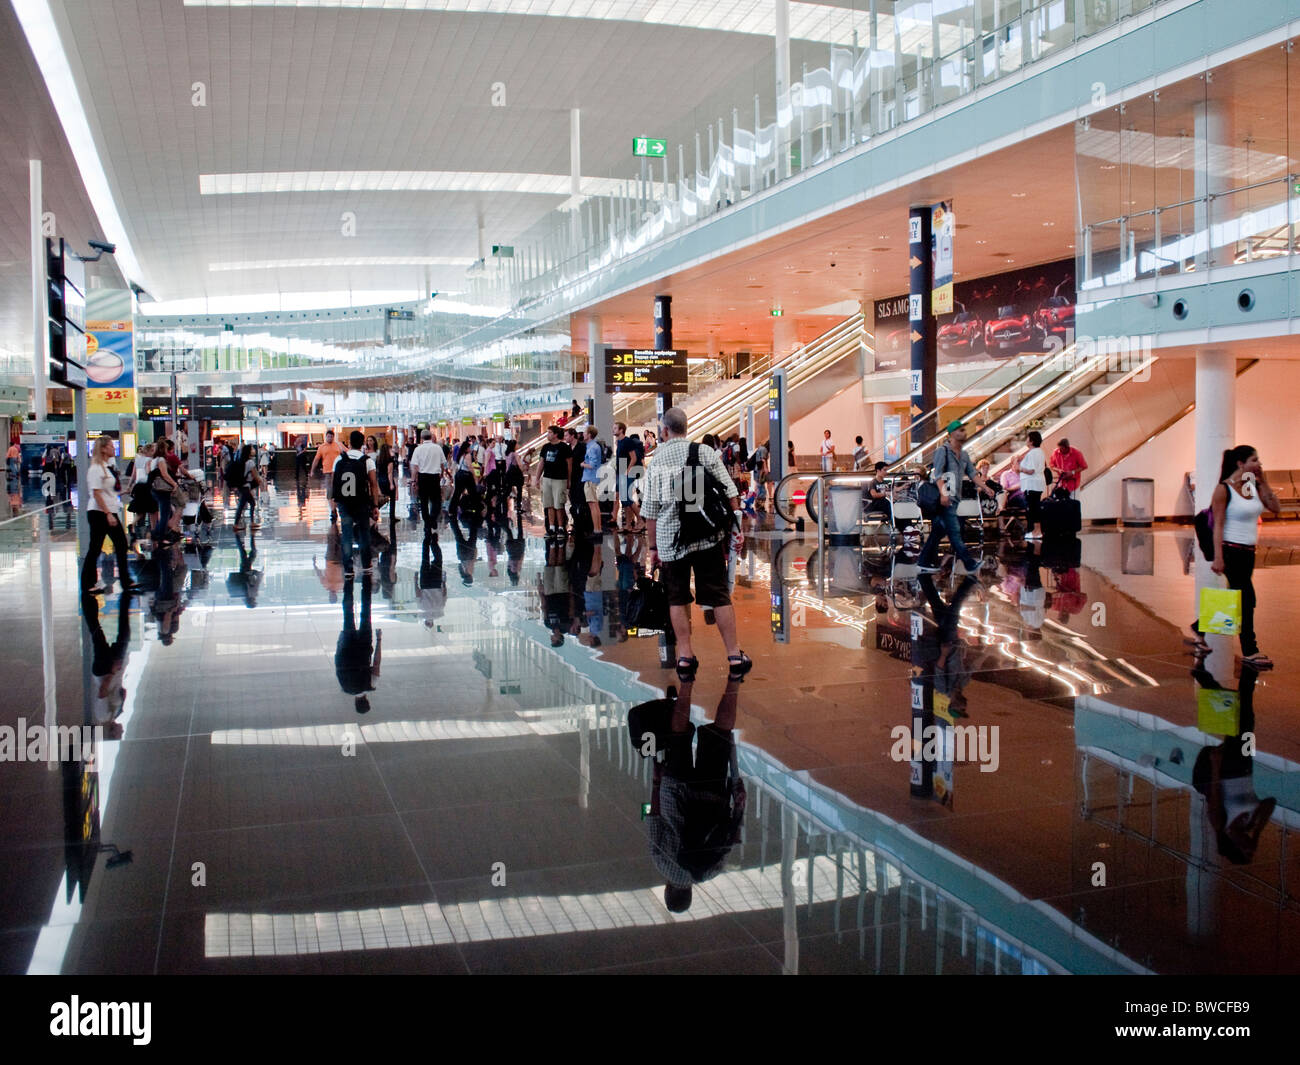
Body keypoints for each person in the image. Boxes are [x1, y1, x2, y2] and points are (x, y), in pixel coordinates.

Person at [641, 406, 750, 683]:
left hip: (670, 541)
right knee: (718, 595)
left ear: (664, 431)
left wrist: (653, 549)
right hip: (707, 537)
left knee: (676, 597)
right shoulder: (704, 452)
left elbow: (650, 511)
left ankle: (685, 656)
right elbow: (731, 492)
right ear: (686, 428)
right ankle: (734, 654)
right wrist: (736, 529)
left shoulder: (656, 460)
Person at [641, 677, 745, 914]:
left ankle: (734, 680)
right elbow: (655, 815)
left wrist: (738, 806)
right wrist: (656, 784)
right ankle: (686, 683)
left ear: (689, 892)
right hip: (674, 792)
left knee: (721, 732)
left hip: (712, 797)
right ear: (668, 889)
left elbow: (730, 837)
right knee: (678, 736)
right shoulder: (661, 863)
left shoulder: (710, 871)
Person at [1190, 445, 1279, 668]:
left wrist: (1264, 482)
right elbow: (1218, 525)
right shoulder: (1224, 490)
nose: (1259, 464)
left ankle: (1199, 627)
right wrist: (1218, 557)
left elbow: (1275, 507)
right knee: (1247, 598)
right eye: (1254, 460)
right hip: (1231, 550)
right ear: (1241, 464)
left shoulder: (1254, 487)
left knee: (1236, 596)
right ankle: (1250, 650)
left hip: (1249, 552)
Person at [918, 420, 984, 574]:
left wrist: (985, 487)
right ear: (952, 434)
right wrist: (943, 493)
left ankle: (922, 562)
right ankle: (969, 564)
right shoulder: (943, 451)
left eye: (964, 430)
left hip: (954, 498)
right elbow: (938, 474)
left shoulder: (964, 454)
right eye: (960, 430)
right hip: (944, 499)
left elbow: (972, 473)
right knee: (954, 531)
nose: (964, 433)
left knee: (938, 531)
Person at [81, 435, 138, 595]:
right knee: (95, 548)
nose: (114, 448)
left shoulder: (106, 467)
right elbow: (97, 494)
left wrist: (121, 493)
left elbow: (108, 491)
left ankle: (126, 581)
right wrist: (108, 513)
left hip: (109, 511)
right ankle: (88, 583)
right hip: (99, 513)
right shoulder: (96, 469)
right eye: (112, 446)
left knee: (120, 544)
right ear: (104, 449)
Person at [333, 430, 380, 577]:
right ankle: (366, 564)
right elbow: (373, 484)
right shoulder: (367, 461)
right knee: (364, 532)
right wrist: (375, 505)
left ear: (350, 442)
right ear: (363, 443)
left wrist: (334, 503)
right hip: (361, 502)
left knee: (346, 533)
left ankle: (348, 568)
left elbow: (334, 482)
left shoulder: (339, 459)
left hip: (344, 502)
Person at [335, 573, 381, 714]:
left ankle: (366, 579)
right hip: (347, 646)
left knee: (366, 612)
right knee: (348, 613)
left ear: (367, 700)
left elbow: (377, 662)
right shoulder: (345, 687)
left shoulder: (371, 685)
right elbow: (338, 664)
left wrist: (379, 639)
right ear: (356, 702)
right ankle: (348, 580)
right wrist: (339, 643)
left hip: (364, 645)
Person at [409, 428, 446, 534]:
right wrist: (442, 474)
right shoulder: (437, 448)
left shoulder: (418, 449)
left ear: (421, 438)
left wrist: (413, 481)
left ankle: (427, 523)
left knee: (424, 502)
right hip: (434, 477)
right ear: (431, 437)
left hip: (423, 477)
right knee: (436, 501)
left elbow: (415, 467)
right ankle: (433, 518)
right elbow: (443, 463)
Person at [534, 426, 570, 536]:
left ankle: (561, 527)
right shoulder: (545, 447)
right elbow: (541, 463)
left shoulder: (564, 447)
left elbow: (569, 464)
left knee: (558, 503)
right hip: (547, 478)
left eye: (549, 432)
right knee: (549, 504)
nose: (547, 434)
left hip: (560, 478)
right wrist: (537, 477)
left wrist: (569, 479)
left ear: (555, 434)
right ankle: (551, 527)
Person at [308, 428, 346, 522]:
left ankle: (336, 507)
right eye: (328, 436)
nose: (330, 438)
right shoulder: (322, 447)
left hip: (338, 472)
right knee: (329, 491)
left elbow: (347, 453)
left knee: (338, 491)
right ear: (326, 437)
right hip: (327, 472)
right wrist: (312, 470)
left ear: (333, 437)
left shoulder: (338, 445)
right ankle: (333, 510)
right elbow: (316, 459)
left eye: (331, 437)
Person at [1016, 430, 1047, 540]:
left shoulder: (1033, 453)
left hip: (1032, 484)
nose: (1026, 440)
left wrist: (1020, 469)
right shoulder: (1039, 452)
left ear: (1032, 441)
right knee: (1035, 507)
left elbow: (1031, 470)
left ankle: (1035, 531)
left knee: (1033, 508)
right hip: (1036, 484)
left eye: (1027, 438)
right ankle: (1036, 531)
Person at [149, 440, 181, 544]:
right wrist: (174, 484)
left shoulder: (153, 460)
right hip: (162, 490)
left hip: (155, 489)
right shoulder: (161, 459)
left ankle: (157, 533)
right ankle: (160, 536)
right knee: (165, 514)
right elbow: (164, 474)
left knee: (166, 512)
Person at [614, 422, 643, 532]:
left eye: (615, 428)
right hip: (622, 471)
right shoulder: (619, 442)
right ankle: (628, 524)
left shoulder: (627, 441)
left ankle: (640, 520)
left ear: (621, 430)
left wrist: (627, 470)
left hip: (628, 472)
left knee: (626, 498)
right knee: (624, 499)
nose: (613, 430)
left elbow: (634, 458)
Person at [230, 443, 261, 531]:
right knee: (247, 504)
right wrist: (260, 481)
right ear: (249, 452)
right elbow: (255, 475)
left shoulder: (241, 460)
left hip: (241, 485)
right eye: (252, 449)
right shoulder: (250, 462)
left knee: (247, 504)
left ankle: (249, 523)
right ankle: (242, 524)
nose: (253, 450)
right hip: (245, 486)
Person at [580, 425, 605, 537]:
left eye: (585, 432)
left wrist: (583, 464)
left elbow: (593, 464)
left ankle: (597, 529)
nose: (583, 434)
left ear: (589, 434)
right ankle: (597, 528)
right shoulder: (593, 446)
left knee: (593, 504)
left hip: (590, 478)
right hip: (592, 478)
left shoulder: (592, 447)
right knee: (594, 504)